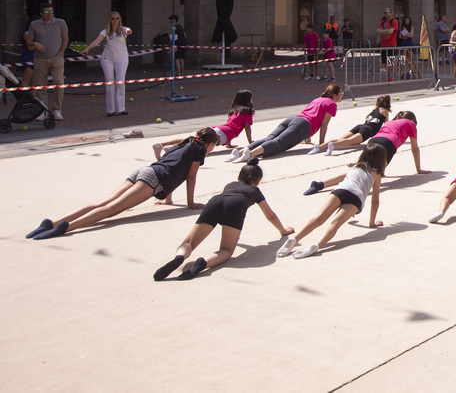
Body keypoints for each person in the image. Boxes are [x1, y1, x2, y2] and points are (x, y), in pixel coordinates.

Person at [26, 128, 219, 240]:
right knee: (111, 210)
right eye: (214, 146)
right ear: (209, 144)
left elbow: (176, 171)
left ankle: (52, 222)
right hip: (154, 178)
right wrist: (190, 203)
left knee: (102, 203)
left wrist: (168, 199)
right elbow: (191, 176)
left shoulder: (184, 144)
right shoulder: (200, 150)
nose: (211, 150)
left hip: (144, 171)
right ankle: (67, 227)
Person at [153, 159, 294, 281]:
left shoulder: (230, 185)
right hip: (237, 204)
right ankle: (204, 263)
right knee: (226, 250)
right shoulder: (255, 191)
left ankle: (180, 256)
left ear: (239, 177)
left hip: (216, 201)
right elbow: (270, 215)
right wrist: (283, 230)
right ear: (257, 181)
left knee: (188, 242)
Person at [277, 143, 388, 259]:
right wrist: (372, 223)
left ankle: (294, 239)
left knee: (319, 218)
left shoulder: (355, 166)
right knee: (335, 223)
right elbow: (375, 201)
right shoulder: (377, 174)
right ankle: (317, 245)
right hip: (357, 197)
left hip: (341, 189)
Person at [303, 111, 427, 195]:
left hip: (373, 141)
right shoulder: (410, 123)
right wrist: (419, 169)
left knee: (357, 169)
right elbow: (414, 148)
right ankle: (352, 194)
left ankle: (321, 184)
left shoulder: (389, 123)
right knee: (371, 175)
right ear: (412, 120)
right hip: (388, 143)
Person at [227, 84, 342, 163]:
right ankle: (250, 154)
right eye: (341, 93)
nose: (342, 95)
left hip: (293, 120)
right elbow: (323, 125)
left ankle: (239, 152)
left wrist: (307, 138)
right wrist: (321, 144)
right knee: (278, 143)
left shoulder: (318, 99)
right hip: (303, 125)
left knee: (269, 138)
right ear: (335, 95)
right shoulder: (332, 104)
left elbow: (312, 114)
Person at [153, 90, 254, 159]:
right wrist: (250, 142)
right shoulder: (247, 111)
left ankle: (161, 145)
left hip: (219, 129)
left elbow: (231, 125)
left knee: (194, 139)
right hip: (224, 134)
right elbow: (247, 127)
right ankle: (173, 149)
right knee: (197, 146)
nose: (252, 100)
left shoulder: (235, 110)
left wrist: (229, 143)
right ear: (247, 100)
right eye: (251, 98)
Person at [82, 10, 132, 117]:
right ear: (110, 20)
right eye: (113, 18)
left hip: (121, 58)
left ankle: (121, 108)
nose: (115, 21)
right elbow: (97, 41)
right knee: (109, 83)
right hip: (107, 58)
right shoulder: (105, 31)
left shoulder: (123, 30)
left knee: (120, 82)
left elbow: (128, 30)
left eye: (117, 18)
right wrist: (88, 48)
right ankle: (110, 109)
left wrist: (128, 31)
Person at [26, 2, 68, 121]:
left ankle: (57, 110)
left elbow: (65, 38)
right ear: (41, 13)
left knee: (59, 83)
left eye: (51, 12)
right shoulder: (34, 24)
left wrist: (60, 53)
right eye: (46, 12)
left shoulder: (60, 22)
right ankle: (43, 110)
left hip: (56, 58)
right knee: (40, 86)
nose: (49, 14)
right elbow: (29, 42)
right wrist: (35, 43)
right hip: (40, 59)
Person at [318, 94, 391, 153]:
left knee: (340, 139)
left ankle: (320, 147)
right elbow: (386, 124)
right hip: (367, 130)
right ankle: (333, 145)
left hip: (361, 126)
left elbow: (366, 118)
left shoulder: (373, 111)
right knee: (349, 141)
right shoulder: (385, 111)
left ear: (376, 103)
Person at [377, 8, 399, 81]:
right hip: (384, 45)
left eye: (387, 13)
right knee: (386, 62)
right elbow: (378, 31)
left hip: (392, 44)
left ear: (391, 13)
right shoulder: (382, 22)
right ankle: (389, 77)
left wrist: (383, 31)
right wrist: (386, 31)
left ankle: (394, 77)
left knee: (392, 62)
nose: (386, 14)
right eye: (385, 13)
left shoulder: (394, 21)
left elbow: (391, 31)